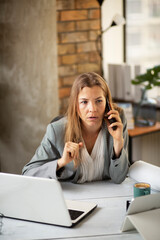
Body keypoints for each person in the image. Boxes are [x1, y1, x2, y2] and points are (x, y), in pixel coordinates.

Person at [22, 72, 129, 183]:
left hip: (108, 196)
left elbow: (119, 178)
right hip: (73, 198)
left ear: (107, 104)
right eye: (84, 102)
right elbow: (28, 173)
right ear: (75, 105)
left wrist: (118, 142)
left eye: (99, 101)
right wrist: (61, 162)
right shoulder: (56, 130)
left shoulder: (117, 122)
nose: (92, 109)